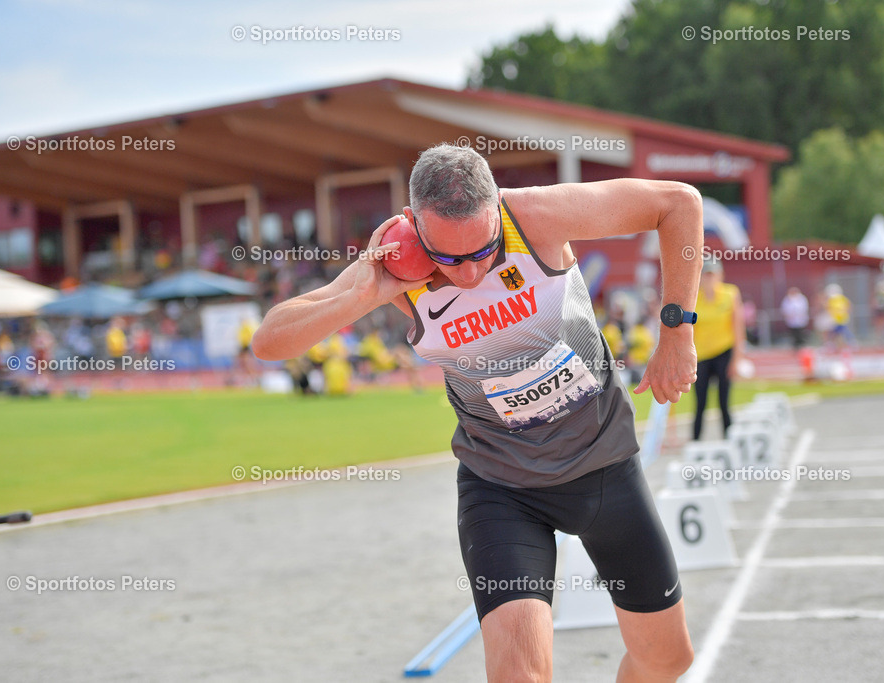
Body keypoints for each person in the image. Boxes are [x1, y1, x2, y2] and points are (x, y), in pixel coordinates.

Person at [253, 144, 701, 682]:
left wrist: (677, 331)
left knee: (667, 659)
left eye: (483, 252)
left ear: (497, 213)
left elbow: (679, 202)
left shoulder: (536, 217)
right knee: (519, 675)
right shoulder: (394, 267)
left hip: (604, 466)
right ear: (415, 225)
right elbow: (269, 342)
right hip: (503, 488)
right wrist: (364, 294)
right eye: (448, 258)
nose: (468, 275)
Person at [691, 257, 744, 441]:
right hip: (702, 355)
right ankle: (695, 441)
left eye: (713, 274)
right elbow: (690, 331)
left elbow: (738, 328)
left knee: (724, 401)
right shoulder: (694, 298)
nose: (709, 279)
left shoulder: (730, 294)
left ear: (720, 275)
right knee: (700, 403)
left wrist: (737, 360)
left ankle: (729, 439)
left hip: (724, 352)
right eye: (706, 275)